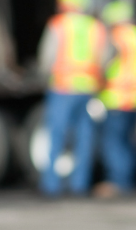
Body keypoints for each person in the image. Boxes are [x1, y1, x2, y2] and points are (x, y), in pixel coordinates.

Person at [37, 0, 108, 197]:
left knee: (57, 137)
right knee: (84, 138)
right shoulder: (96, 28)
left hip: (62, 88)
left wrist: (45, 76)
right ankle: (80, 185)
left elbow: (46, 57)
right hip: (87, 89)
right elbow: (105, 58)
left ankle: (51, 185)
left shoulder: (59, 25)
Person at [95, 1, 136, 198]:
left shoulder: (116, 38)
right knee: (129, 142)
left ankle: (117, 182)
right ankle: (127, 181)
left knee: (114, 142)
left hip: (117, 98)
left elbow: (104, 65)